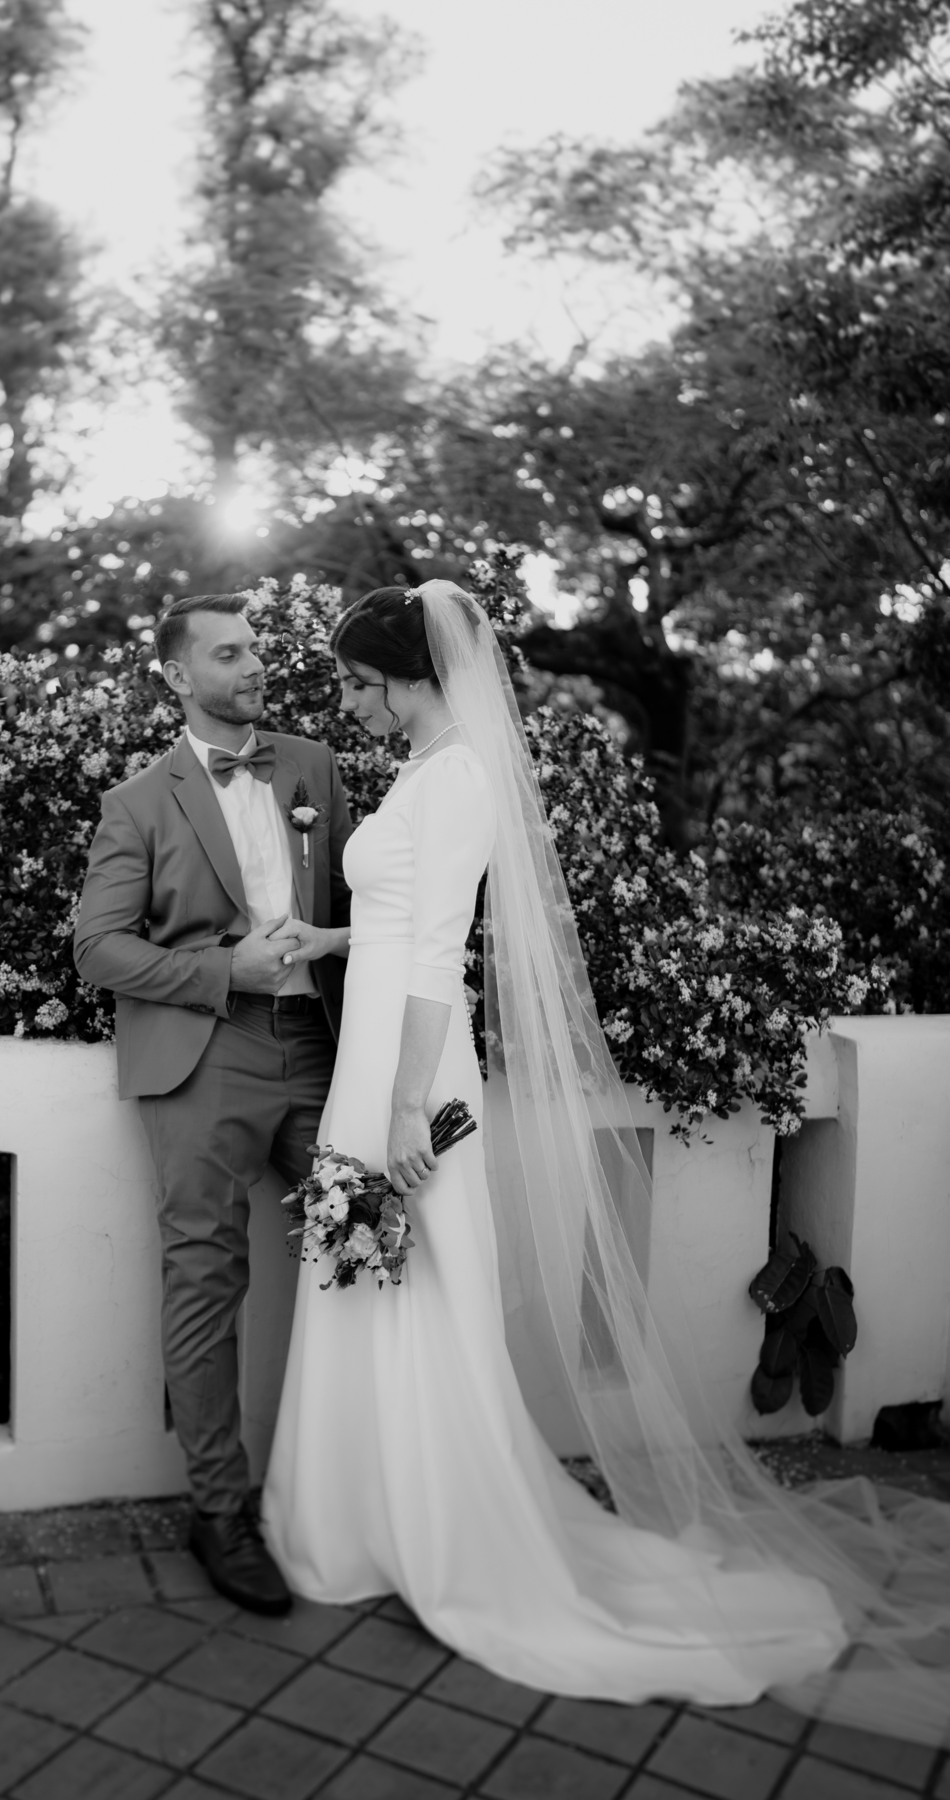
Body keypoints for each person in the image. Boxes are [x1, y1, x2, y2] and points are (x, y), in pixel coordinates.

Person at [260, 579, 950, 1739]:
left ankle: (435, 1529)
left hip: (406, 1073)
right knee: (366, 1281)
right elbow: (395, 925)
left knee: (417, 1286)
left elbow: (437, 960)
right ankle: (365, 1513)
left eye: (356, 682)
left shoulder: (464, 776)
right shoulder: (423, 773)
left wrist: (396, 1117)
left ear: (411, 676)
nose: (345, 703)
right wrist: (325, 937)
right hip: (372, 1055)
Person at [74, 593, 352, 1616]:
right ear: (179, 676)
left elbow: (359, 906)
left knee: (373, 1246)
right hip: (204, 1057)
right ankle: (219, 1513)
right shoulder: (138, 802)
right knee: (207, 1275)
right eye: (228, 655)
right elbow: (96, 948)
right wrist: (220, 969)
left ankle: (360, 1488)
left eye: (257, 651)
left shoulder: (314, 768)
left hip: (319, 1048)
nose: (254, 667)